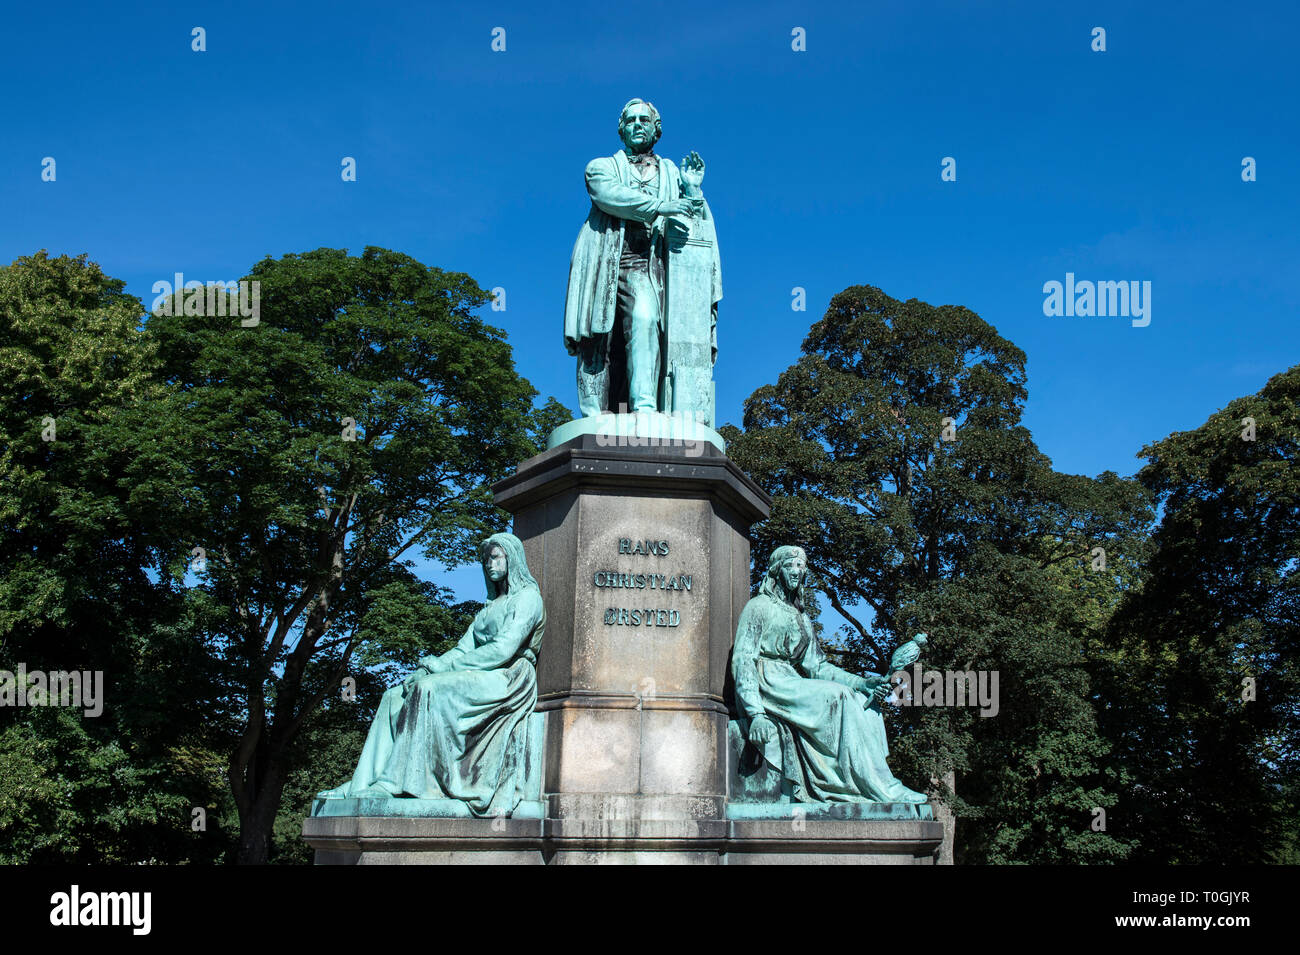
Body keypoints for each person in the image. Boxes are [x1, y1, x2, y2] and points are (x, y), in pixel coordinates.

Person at [318, 532, 544, 816]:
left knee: (428, 689)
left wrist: (443, 669)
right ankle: (364, 782)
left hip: (509, 677)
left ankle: (398, 783)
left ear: (513, 559)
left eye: (496, 557)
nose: (489, 564)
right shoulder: (490, 608)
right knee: (394, 696)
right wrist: (431, 664)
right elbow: (462, 649)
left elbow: (502, 650)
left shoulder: (527, 599)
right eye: (486, 559)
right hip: (481, 672)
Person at [731, 545, 928, 805]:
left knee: (862, 704)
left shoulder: (800, 616)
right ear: (777, 570)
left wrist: (862, 683)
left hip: (790, 680)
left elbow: (819, 667)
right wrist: (755, 713)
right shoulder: (759, 607)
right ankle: (879, 788)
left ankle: (869, 784)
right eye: (791, 566)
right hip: (768, 682)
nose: (796, 572)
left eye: (801, 567)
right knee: (841, 697)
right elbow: (743, 658)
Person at [563, 98, 721, 416]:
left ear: (655, 130)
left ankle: (644, 407)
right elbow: (610, 196)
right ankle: (594, 413)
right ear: (621, 130)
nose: (637, 125)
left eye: (644, 120)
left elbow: (695, 222)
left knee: (645, 320)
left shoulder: (672, 173)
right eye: (631, 120)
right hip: (605, 261)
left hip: (647, 266)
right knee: (597, 339)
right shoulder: (601, 167)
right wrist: (660, 206)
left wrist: (691, 191)